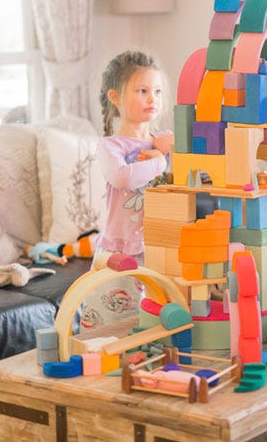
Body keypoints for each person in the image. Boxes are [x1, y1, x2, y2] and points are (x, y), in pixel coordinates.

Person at [81, 50, 172, 330]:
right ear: (116, 98)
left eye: (156, 91)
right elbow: (122, 177)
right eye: (142, 90)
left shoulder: (164, 142)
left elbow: (188, 179)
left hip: (158, 247)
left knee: (153, 323)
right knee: (105, 326)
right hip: (118, 251)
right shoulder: (111, 147)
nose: (151, 99)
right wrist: (160, 162)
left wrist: (169, 157)